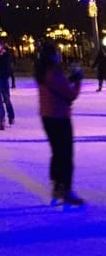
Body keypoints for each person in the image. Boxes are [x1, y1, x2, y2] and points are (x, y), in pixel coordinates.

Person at [35, 41, 84, 206]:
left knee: (57, 152)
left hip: (47, 116)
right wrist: (78, 81)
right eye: (56, 53)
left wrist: (69, 79)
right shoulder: (53, 72)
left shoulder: (42, 72)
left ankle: (57, 186)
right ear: (52, 56)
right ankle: (66, 189)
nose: (58, 55)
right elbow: (70, 95)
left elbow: (57, 87)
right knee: (65, 154)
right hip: (60, 117)